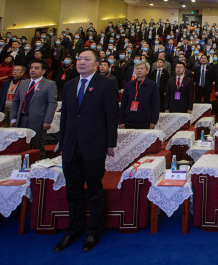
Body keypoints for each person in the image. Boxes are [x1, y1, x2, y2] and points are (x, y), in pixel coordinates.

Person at [55, 49, 119, 253]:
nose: (81, 62)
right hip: (71, 146)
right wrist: (62, 142)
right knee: (73, 192)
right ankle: (73, 230)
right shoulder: (69, 85)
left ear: (97, 64)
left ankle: (93, 231)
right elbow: (65, 116)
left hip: (94, 145)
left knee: (94, 191)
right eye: (79, 59)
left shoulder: (106, 83)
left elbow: (112, 115)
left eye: (87, 59)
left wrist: (110, 142)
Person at [10, 60, 58, 157]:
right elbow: (16, 101)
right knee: (21, 147)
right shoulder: (23, 83)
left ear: (43, 71)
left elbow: (52, 103)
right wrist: (13, 118)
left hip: (38, 121)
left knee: (38, 147)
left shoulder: (49, 84)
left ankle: (39, 165)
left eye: (36, 68)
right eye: (31, 68)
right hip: (21, 119)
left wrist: (47, 120)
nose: (32, 70)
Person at [119, 60, 160, 129]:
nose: (139, 70)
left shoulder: (153, 85)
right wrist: (121, 120)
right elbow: (124, 104)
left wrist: (154, 121)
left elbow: (156, 105)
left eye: (141, 68)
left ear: (147, 71)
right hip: (129, 120)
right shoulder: (129, 85)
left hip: (145, 121)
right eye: (137, 69)